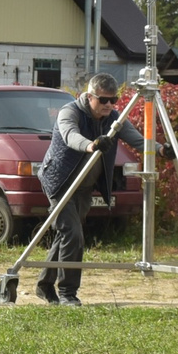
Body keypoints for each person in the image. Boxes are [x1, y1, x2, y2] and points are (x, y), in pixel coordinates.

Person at [36, 74, 140, 305]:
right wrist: (91, 145)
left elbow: (137, 140)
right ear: (90, 96)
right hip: (60, 183)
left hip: (83, 187)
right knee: (73, 235)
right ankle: (68, 294)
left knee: (67, 235)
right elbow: (70, 136)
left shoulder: (113, 117)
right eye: (104, 100)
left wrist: (162, 149)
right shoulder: (70, 112)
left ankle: (44, 285)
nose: (109, 105)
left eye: (114, 100)